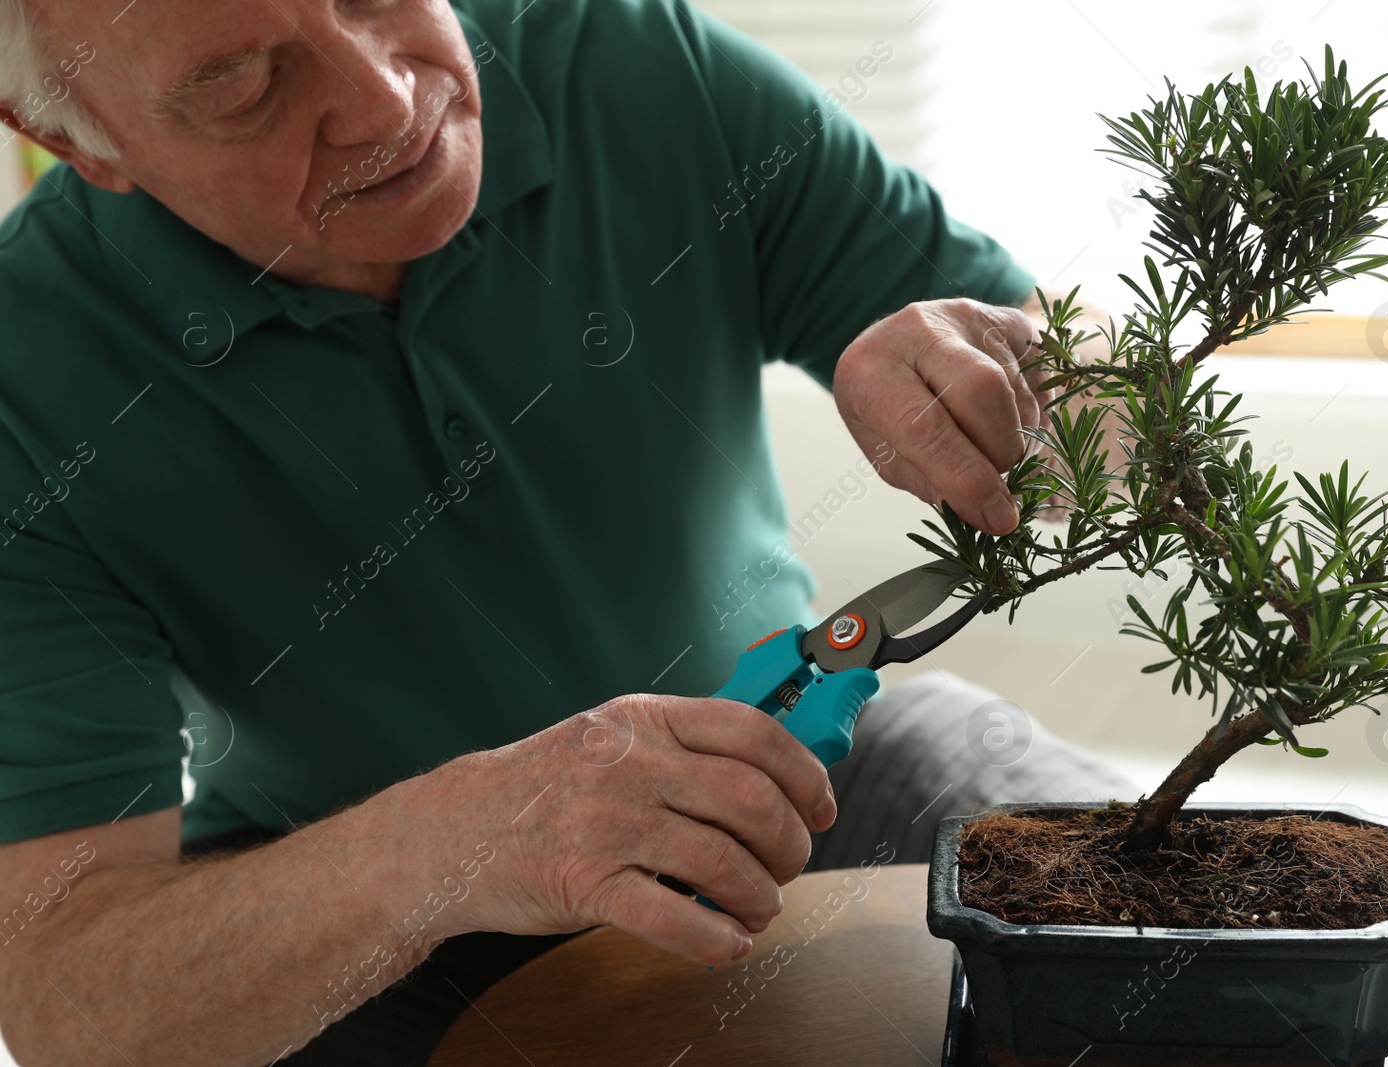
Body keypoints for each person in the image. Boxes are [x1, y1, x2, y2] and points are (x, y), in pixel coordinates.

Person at [0, 0, 1133, 1063]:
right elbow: (62, 991)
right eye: (242, 85)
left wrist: (1015, 391)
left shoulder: (621, 55)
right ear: (80, 136)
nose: (387, 102)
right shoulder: (23, 377)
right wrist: (460, 841)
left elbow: (1112, 412)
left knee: (1154, 938)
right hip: (357, 897)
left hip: (807, 747)